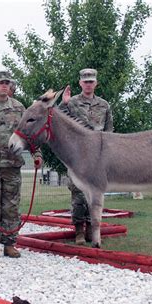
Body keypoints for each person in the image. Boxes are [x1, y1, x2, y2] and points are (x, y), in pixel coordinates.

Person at [0, 71, 42, 259]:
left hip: (12, 164)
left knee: (11, 206)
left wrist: (36, 154)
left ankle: (10, 243)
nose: (4, 86)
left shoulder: (19, 108)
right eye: (1, 82)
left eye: (7, 83)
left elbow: (30, 134)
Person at [60, 68, 114, 245]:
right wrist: (64, 103)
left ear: (96, 83)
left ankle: (92, 228)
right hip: (79, 156)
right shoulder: (71, 102)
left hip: (98, 156)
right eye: (85, 81)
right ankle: (78, 231)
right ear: (80, 83)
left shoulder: (104, 105)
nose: (88, 84)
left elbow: (109, 131)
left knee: (95, 192)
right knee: (78, 194)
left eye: (91, 81)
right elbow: (59, 120)